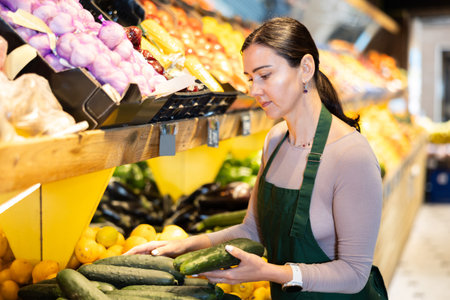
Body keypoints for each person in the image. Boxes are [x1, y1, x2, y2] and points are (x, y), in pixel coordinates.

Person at [126, 17, 387, 299]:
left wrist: (270, 272)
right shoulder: (275, 141)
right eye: (250, 79)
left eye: (265, 75)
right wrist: (186, 245)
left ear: (306, 68)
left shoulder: (351, 155)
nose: (254, 90)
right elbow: (253, 229)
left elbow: (355, 273)